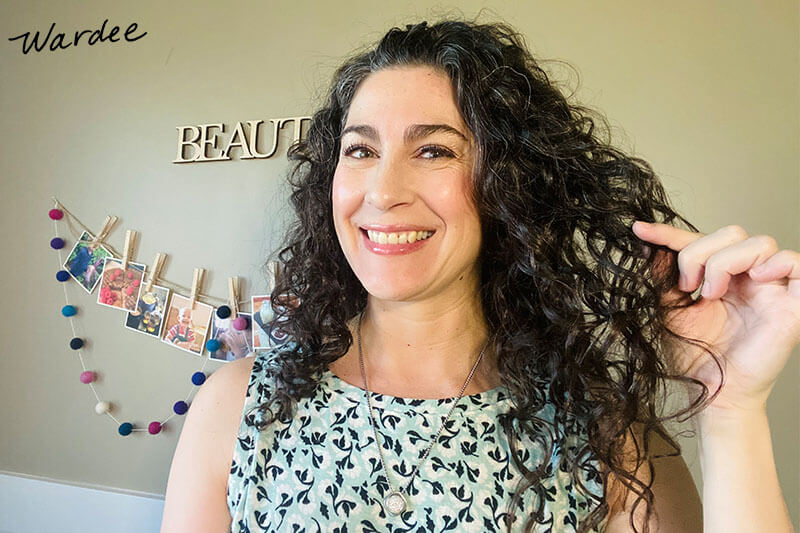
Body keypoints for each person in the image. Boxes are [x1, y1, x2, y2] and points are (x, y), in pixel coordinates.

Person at [161, 20, 798, 532]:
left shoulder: (606, 440)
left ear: (507, 185)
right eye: (360, 151)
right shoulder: (239, 404)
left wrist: (732, 407)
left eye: (433, 149)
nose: (382, 192)